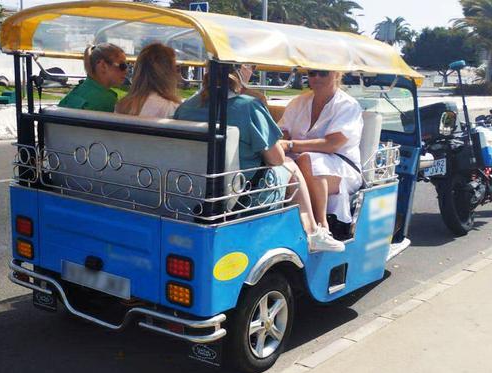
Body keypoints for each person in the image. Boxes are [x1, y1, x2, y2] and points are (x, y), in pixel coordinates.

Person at [174, 70, 345, 252]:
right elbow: (276, 158)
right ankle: (312, 231)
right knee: (290, 164)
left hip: (192, 189)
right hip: (246, 194)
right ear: (240, 77)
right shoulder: (248, 107)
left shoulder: (185, 108)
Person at [278, 70, 363, 235]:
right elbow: (282, 131)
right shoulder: (299, 102)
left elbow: (332, 144)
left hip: (343, 165)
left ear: (337, 75)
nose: (316, 77)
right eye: (312, 73)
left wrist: (289, 145)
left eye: (323, 73)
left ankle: (320, 226)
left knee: (308, 159)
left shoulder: (348, 105)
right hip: (300, 161)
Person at [115, 43, 181, 118]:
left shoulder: (121, 106)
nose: (177, 74)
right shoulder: (171, 108)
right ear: (168, 73)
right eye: (176, 68)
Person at [58, 43, 127, 112]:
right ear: (103, 66)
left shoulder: (77, 91)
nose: (126, 71)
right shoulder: (106, 100)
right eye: (122, 66)